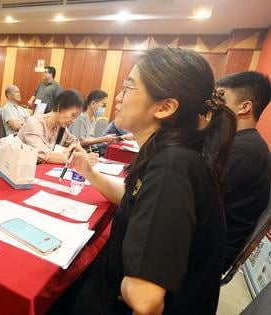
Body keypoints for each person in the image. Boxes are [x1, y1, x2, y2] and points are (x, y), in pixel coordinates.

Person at [49, 47, 236, 315]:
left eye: (128, 87)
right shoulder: (169, 153)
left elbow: (144, 299)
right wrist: (89, 173)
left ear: (165, 107)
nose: (118, 97)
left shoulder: (172, 166)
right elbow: (133, 198)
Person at [216, 71, 271, 272]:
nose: (212, 107)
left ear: (244, 106)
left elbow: (194, 199)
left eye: (220, 99)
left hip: (210, 251)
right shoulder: (240, 143)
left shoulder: (244, 151)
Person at [17, 89, 97, 164]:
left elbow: (74, 141)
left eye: (76, 117)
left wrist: (82, 152)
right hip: (18, 170)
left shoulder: (60, 127)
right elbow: (43, 154)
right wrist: (78, 158)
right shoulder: (34, 123)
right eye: (73, 115)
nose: (73, 121)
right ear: (60, 107)